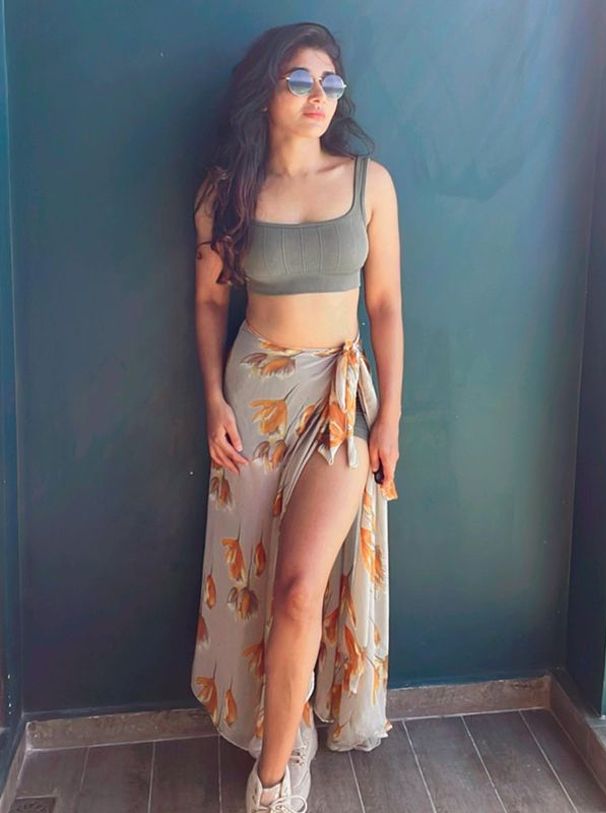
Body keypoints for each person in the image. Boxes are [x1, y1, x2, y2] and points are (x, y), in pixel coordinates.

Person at [190, 21, 403, 813]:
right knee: (253, 583)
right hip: (253, 394)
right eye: (301, 81)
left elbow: (386, 305)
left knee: (298, 588)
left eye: (331, 83)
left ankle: (272, 783)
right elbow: (210, 303)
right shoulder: (226, 192)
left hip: (341, 399)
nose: (321, 97)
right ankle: (290, 723)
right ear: (265, 94)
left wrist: (390, 416)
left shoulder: (368, 183)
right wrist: (213, 399)